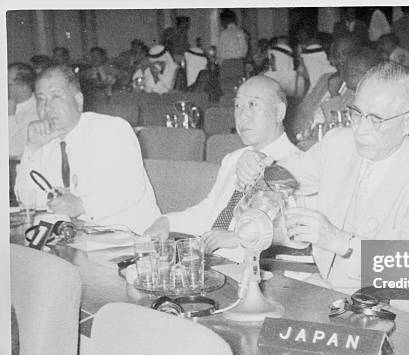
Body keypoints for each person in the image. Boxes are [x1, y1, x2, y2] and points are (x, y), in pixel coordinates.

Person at [235, 62, 409, 293]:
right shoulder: (338, 144)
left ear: (407, 123)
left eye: (375, 120)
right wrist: (257, 166)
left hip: (389, 301)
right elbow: (287, 175)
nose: (360, 129)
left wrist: (341, 242)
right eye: (357, 113)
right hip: (327, 287)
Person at [144, 76, 300, 262]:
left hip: (254, 273)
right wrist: (167, 222)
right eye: (237, 106)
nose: (242, 115)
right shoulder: (232, 159)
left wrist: (240, 237)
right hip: (208, 264)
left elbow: (297, 235)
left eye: (252, 105)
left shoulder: (299, 166)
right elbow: (209, 211)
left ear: (279, 111)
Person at [14, 66, 160, 234]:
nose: (46, 107)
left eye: (56, 96)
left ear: (78, 101)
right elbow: (27, 201)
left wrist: (81, 205)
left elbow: (130, 189)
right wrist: (32, 149)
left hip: (128, 238)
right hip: (73, 242)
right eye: (41, 99)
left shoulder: (111, 129)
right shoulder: (44, 140)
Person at [290, 35, 354, 136]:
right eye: (337, 55)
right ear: (332, 59)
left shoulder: (357, 88)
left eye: (346, 53)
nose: (341, 59)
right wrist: (299, 137)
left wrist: (334, 95)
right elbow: (302, 112)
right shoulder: (325, 79)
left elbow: (343, 130)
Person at [8, 63, 38, 158]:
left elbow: (14, 151)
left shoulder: (36, 112)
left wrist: (10, 117)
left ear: (24, 86)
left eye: (9, 84)